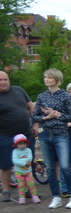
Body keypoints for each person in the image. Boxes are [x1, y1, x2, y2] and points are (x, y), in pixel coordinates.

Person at [32, 68, 71, 209]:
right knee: (50, 168)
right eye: (45, 77)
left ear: (57, 79)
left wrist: (58, 115)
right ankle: (56, 196)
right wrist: (47, 117)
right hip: (45, 134)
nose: (46, 79)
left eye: (49, 77)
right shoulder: (41, 96)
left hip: (61, 134)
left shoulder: (64, 96)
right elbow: (35, 116)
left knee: (64, 166)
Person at [0, 71, 35, 202]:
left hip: (25, 134)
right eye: (0, 80)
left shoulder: (18, 90)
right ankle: (6, 191)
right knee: (5, 164)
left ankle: (27, 190)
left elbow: (30, 106)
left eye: (5, 79)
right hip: (5, 135)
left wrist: (35, 125)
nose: (3, 82)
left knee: (27, 162)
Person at [11, 134, 39, 204]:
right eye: (20, 144)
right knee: (21, 185)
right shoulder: (15, 151)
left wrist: (21, 161)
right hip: (19, 171)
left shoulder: (28, 150)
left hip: (28, 171)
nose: (22, 145)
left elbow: (30, 158)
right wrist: (24, 163)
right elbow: (15, 161)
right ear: (16, 144)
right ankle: (22, 198)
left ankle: (35, 197)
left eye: (24, 143)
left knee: (32, 184)